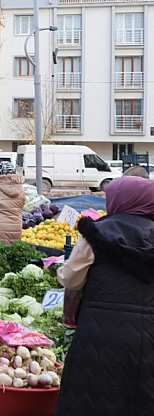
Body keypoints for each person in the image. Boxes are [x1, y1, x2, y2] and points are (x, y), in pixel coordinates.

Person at [55, 176, 154, 415]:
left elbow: (70, 278)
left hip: (99, 334)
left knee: (93, 397)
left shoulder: (97, 231)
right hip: (149, 335)